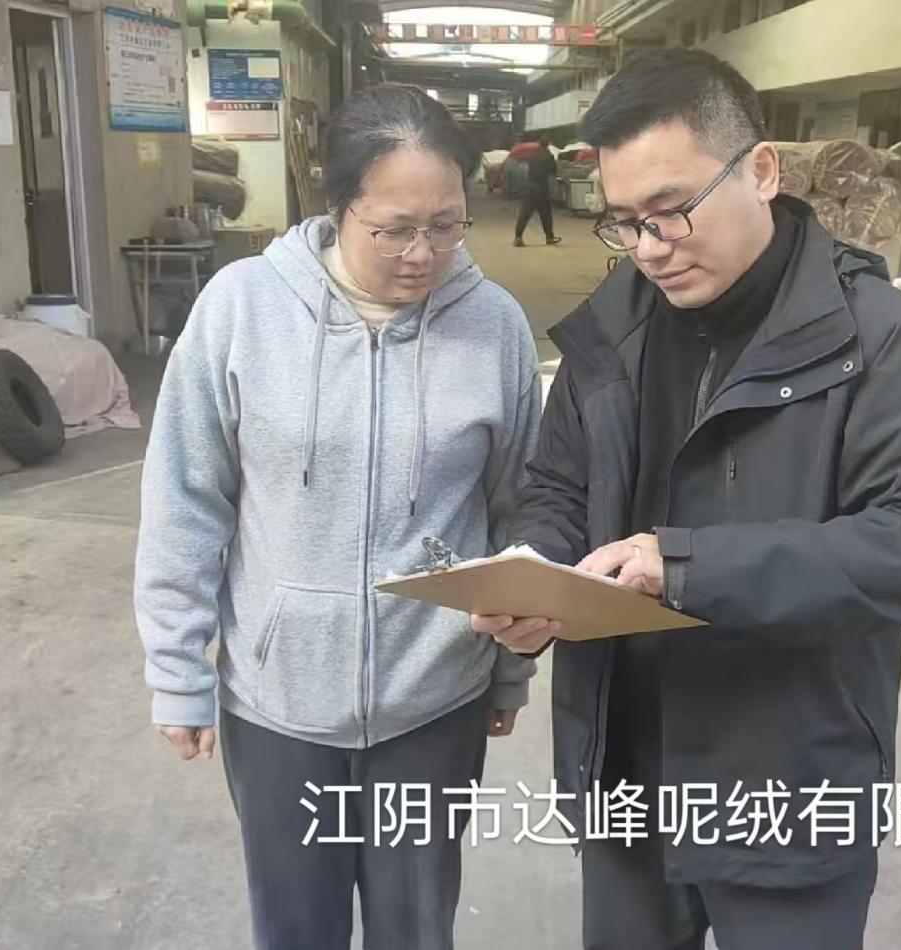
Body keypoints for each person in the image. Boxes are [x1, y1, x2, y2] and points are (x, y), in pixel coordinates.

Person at [474, 50, 901, 950]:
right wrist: (533, 567)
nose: (649, 247)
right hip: (626, 772)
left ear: (761, 170)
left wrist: (686, 567)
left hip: (787, 784)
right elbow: (558, 483)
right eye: (625, 222)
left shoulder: (881, 340)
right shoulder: (613, 326)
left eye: (671, 210)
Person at [135, 83, 541, 950]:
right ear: (337, 205)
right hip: (277, 702)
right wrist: (176, 669)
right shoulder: (242, 308)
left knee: (415, 928)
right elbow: (185, 497)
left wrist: (509, 670)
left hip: (434, 698)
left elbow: (518, 510)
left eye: (446, 225)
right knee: (295, 928)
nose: (422, 253)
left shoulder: (494, 326)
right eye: (393, 229)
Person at [514, 135, 562, 247]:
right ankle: (549, 237)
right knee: (545, 215)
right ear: (548, 144)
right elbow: (553, 171)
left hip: (529, 187)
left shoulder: (532, 155)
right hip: (542, 188)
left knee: (524, 214)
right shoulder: (548, 156)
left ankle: (518, 237)